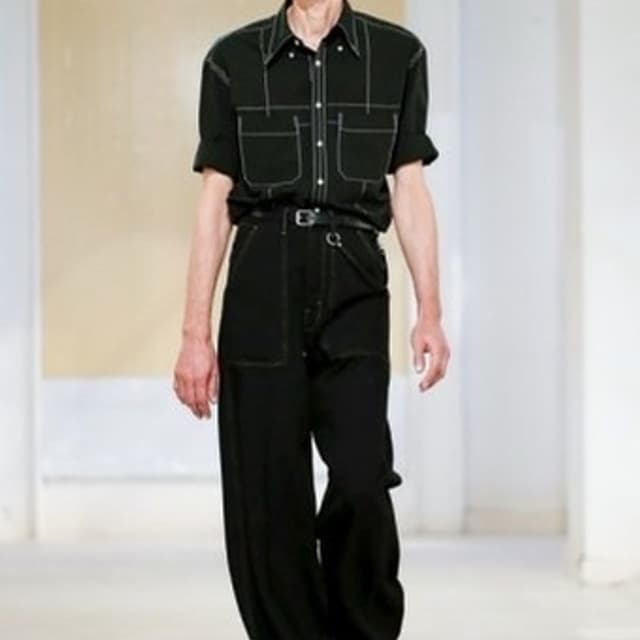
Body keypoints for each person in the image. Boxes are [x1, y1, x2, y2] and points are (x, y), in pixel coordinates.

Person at [173, 0, 450, 637]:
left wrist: (430, 310)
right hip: (261, 277)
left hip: (354, 275)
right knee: (268, 488)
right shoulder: (232, 60)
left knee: (361, 475)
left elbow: (409, 187)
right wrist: (194, 335)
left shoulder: (398, 56)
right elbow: (215, 200)